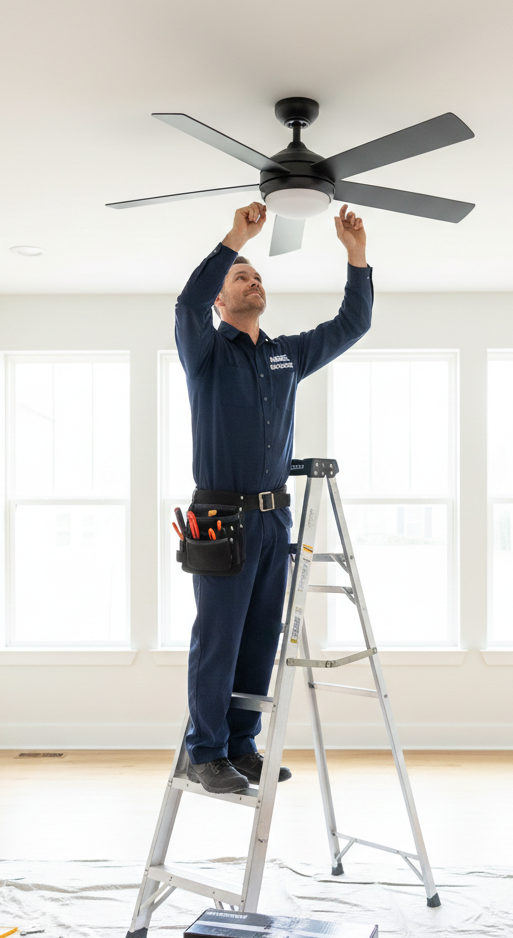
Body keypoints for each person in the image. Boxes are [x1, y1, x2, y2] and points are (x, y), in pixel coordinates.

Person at [175, 201, 372, 793]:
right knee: (219, 640)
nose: (253, 280)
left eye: (257, 276)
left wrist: (355, 257)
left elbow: (351, 326)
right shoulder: (205, 353)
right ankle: (204, 751)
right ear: (221, 299)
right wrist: (237, 240)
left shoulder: (284, 355)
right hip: (219, 518)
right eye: (241, 276)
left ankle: (240, 746)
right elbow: (186, 303)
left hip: (272, 521)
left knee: (261, 636)